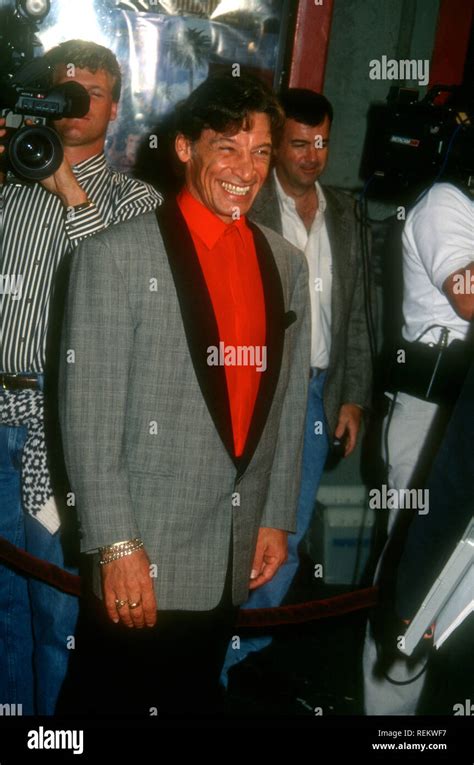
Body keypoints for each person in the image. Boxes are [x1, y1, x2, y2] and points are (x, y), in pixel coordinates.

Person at [57, 72, 311, 717]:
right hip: (143, 550)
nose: (245, 170)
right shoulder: (114, 256)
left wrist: (275, 514)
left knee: (194, 704)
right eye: (227, 147)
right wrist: (115, 545)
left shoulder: (285, 263)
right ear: (184, 148)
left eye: (260, 153)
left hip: (231, 546)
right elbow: (88, 416)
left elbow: (282, 401)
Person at [0, 39, 161, 716]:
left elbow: (124, 294)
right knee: (4, 605)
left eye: (89, 93)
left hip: (60, 429)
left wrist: (67, 188)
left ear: (115, 108)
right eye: (59, 90)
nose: (72, 105)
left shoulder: (137, 199)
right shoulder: (8, 191)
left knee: (55, 608)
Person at [221, 88, 372, 684]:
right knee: (232, 520)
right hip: (252, 386)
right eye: (299, 143)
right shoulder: (249, 205)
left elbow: (356, 313)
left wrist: (353, 396)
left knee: (288, 528)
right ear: (276, 144)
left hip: (314, 393)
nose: (312, 156)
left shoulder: (346, 212)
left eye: (323, 143)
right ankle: (209, 643)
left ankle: (234, 650)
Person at [363, 180, 474, 715]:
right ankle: (391, 722)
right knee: (414, 568)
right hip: (431, 413)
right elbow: (466, 294)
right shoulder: (448, 204)